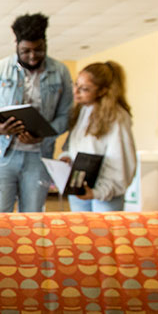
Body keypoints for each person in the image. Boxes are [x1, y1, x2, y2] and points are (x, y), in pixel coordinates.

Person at [0, 12, 73, 213]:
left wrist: (43, 134)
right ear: (16, 45)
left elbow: (66, 115)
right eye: (25, 50)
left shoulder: (60, 72)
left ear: (45, 43)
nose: (32, 56)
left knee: (32, 218)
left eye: (38, 50)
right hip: (1, 156)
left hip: (38, 158)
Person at [59, 61, 137, 212]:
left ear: (102, 91)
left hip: (104, 195)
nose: (76, 92)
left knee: (102, 235)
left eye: (84, 89)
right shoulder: (82, 111)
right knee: (81, 233)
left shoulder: (117, 117)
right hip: (80, 189)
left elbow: (121, 164)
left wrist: (97, 192)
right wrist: (67, 157)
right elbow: (73, 146)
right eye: (76, 85)